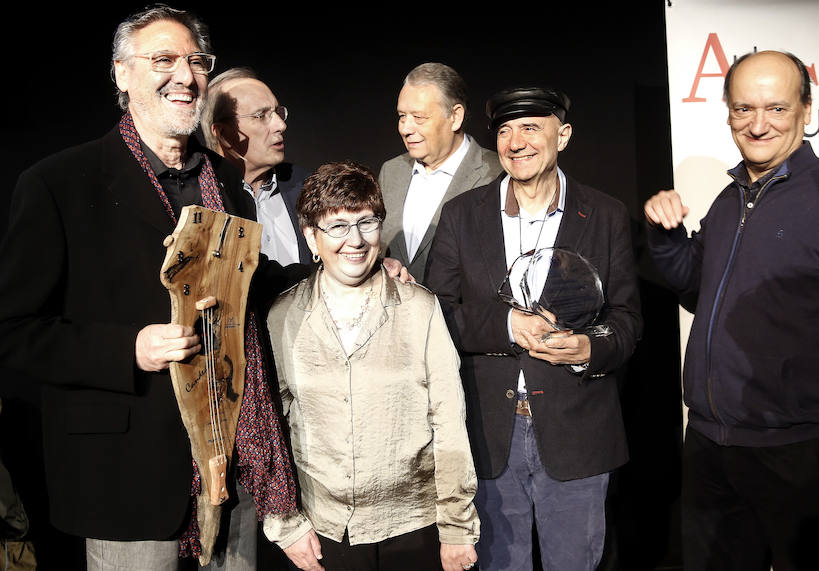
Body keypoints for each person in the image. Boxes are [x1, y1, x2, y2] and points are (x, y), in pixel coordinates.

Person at [0, 5, 407, 569]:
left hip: (232, 461)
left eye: (196, 61)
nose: (185, 75)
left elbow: (255, 287)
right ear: (122, 74)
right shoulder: (58, 184)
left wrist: (345, 263)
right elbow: (15, 331)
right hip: (128, 477)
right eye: (163, 60)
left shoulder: (229, 191)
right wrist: (126, 350)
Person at [644, 50, 819, 571]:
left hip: (797, 454)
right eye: (744, 109)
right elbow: (698, 290)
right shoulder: (729, 198)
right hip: (711, 447)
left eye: (776, 109)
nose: (758, 125)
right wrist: (665, 238)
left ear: (807, 109)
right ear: (728, 113)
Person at [426, 87, 642, 570]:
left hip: (578, 431)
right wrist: (505, 323)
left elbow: (627, 320)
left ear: (562, 135)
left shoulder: (605, 215)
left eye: (530, 127)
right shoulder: (463, 215)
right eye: (504, 130)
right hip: (487, 433)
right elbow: (435, 311)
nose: (515, 141)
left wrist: (588, 346)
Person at [264, 161, 479, 571]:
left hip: (414, 527)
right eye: (338, 227)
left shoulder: (421, 309)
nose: (356, 240)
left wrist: (456, 527)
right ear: (311, 237)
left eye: (367, 222)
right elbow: (269, 427)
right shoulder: (283, 316)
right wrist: (285, 524)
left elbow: (449, 423)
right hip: (323, 532)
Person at [379, 62, 503, 284]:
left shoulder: (497, 175)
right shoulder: (391, 172)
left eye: (419, 117)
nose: (405, 128)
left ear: (455, 116)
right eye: (401, 116)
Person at [202, 67, 313, 266]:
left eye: (278, 112)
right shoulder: (201, 199)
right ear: (222, 134)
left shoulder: (308, 186)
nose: (281, 125)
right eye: (261, 116)